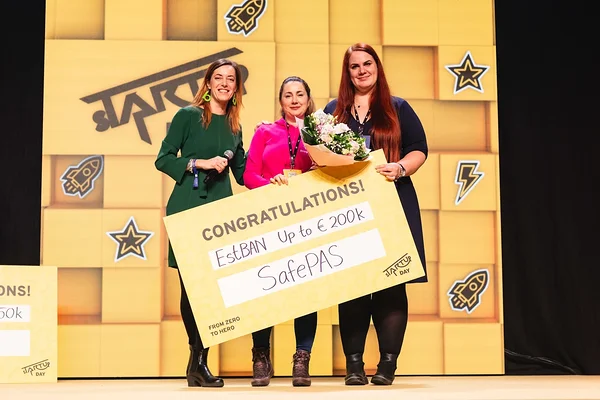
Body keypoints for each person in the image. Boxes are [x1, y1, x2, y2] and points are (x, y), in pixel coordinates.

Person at [324, 43, 428, 386]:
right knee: (353, 286)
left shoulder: (398, 108)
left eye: (367, 63)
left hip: (393, 203)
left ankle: (387, 365)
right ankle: (354, 366)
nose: (362, 70)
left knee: (391, 286)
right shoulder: (332, 111)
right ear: (348, 72)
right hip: (348, 211)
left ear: (377, 67)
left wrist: (400, 167)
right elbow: (318, 157)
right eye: (354, 66)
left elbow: (419, 149)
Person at [154, 58, 246, 388]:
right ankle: (198, 360)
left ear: (237, 88)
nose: (224, 83)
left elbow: (244, 174)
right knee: (191, 287)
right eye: (218, 77)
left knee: (212, 289)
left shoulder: (236, 127)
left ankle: (197, 365)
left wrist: (280, 176)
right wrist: (199, 163)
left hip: (220, 212)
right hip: (189, 207)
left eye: (230, 79)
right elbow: (163, 159)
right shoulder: (188, 116)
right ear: (207, 83)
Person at [243, 76, 318, 387]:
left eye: (300, 94)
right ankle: (261, 355)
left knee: (306, 291)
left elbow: (331, 174)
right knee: (265, 289)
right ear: (280, 101)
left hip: (306, 220)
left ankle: (302, 358)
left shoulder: (320, 133)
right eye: (288, 95)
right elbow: (249, 175)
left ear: (308, 99)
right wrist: (270, 184)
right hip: (268, 219)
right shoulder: (265, 131)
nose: (294, 100)